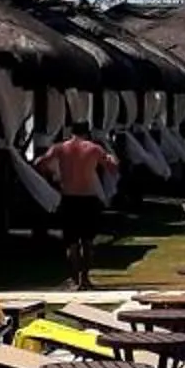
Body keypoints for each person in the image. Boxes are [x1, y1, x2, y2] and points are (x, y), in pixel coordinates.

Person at [37, 122, 119, 290]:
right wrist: (112, 157)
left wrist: (53, 176)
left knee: (71, 242)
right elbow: (112, 168)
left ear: (71, 132)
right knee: (88, 241)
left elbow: (40, 163)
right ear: (87, 133)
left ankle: (74, 279)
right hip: (88, 198)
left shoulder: (60, 148)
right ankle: (85, 278)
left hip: (69, 198)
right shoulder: (94, 148)